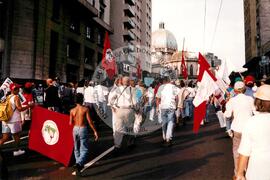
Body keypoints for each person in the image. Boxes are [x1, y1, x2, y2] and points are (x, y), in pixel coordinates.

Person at [236, 85, 270, 180]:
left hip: (257, 170)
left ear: (258, 102)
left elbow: (244, 152)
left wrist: (239, 173)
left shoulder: (252, 122)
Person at [224, 81, 255, 176]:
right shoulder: (250, 99)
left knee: (237, 151)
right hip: (249, 128)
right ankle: (248, 172)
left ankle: (238, 173)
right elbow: (255, 111)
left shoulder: (232, 100)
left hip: (237, 128)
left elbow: (227, 115)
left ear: (235, 90)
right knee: (249, 151)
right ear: (244, 89)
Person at [0, 83, 34, 156]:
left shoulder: (7, 97)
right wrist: (29, 106)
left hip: (5, 120)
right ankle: (17, 151)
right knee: (17, 136)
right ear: (14, 89)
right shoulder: (16, 97)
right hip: (14, 120)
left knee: (4, 137)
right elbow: (20, 108)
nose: (19, 90)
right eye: (18, 88)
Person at [69, 93, 98, 175]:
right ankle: (79, 163)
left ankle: (78, 163)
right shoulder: (85, 109)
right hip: (82, 128)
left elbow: (70, 123)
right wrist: (95, 131)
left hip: (75, 129)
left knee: (76, 147)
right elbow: (90, 122)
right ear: (82, 100)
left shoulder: (72, 110)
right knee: (84, 148)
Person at [156, 76, 180, 146]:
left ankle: (164, 136)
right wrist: (177, 104)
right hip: (171, 106)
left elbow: (157, 98)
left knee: (164, 122)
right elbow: (177, 97)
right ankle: (168, 137)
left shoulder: (161, 87)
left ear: (163, 81)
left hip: (163, 106)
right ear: (169, 80)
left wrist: (157, 107)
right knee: (170, 122)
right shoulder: (173, 87)